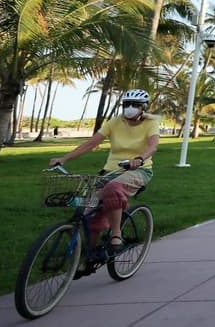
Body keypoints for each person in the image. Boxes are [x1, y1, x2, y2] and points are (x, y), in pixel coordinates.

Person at [49, 89, 159, 253]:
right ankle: (88, 256)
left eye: (135, 105)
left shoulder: (151, 123)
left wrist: (140, 159)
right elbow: (90, 144)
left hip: (139, 170)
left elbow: (153, 145)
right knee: (87, 212)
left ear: (143, 107)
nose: (130, 107)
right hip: (110, 171)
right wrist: (64, 158)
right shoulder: (115, 122)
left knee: (112, 188)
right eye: (127, 104)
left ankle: (116, 235)